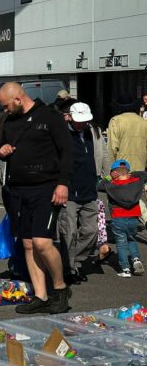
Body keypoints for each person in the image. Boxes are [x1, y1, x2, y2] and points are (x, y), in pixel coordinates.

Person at [0, 82, 73, 314]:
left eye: (7, 105)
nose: (5, 110)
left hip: (46, 187)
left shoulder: (49, 116)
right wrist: (2, 150)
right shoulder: (7, 120)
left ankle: (60, 288)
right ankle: (40, 295)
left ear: (18, 99)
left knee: (42, 242)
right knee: (28, 244)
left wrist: (63, 184)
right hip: (18, 189)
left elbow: (67, 150)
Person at [56, 100, 104, 284]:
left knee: (92, 232)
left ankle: (74, 262)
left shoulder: (92, 131)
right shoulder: (61, 133)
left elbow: (102, 153)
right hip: (69, 191)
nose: (82, 123)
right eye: (79, 120)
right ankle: (69, 269)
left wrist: (105, 174)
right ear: (70, 117)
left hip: (89, 190)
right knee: (70, 232)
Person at [99, 159, 147, 277]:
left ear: (114, 172)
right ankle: (136, 259)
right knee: (131, 239)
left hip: (118, 218)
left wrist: (110, 177)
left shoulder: (111, 185)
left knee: (121, 243)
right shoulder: (136, 181)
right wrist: (132, 173)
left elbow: (99, 186)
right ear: (128, 172)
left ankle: (125, 269)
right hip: (133, 218)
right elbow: (144, 174)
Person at [108, 93, 147, 172]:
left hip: (122, 169)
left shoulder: (115, 121)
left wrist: (111, 171)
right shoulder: (144, 122)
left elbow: (112, 148)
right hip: (141, 167)